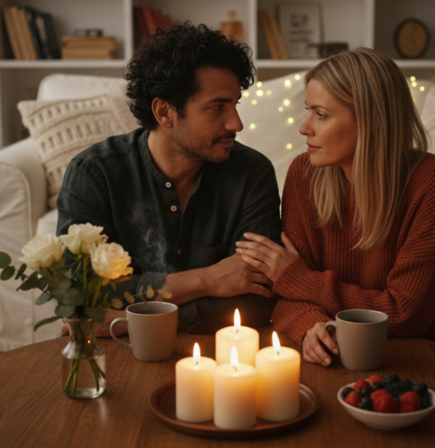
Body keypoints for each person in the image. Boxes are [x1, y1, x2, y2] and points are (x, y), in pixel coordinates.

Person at [234, 48, 435, 364]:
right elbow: (286, 292)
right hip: (338, 351)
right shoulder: (303, 174)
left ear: (371, 119)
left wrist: (301, 279)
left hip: (432, 355)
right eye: (308, 111)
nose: (305, 128)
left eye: (321, 114)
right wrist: (310, 327)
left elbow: (405, 314)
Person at [56, 23, 281, 336]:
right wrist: (208, 280)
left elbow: (257, 297)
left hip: (217, 356)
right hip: (111, 354)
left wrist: (129, 320)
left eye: (235, 105)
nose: (236, 124)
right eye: (217, 108)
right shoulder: (94, 174)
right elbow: (80, 295)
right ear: (164, 112)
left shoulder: (252, 175)